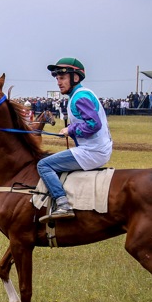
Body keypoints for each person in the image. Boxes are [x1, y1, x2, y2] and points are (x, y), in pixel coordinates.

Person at [37, 57, 112, 220]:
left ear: (75, 77)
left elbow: (94, 124)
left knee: (43, 165)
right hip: (97, 149)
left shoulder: (79, 97)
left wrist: (70, 129)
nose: (58, 82)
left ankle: (63, 204)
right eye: (57, 78)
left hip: (93, 151)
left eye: (62, 77)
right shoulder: (81, 94)